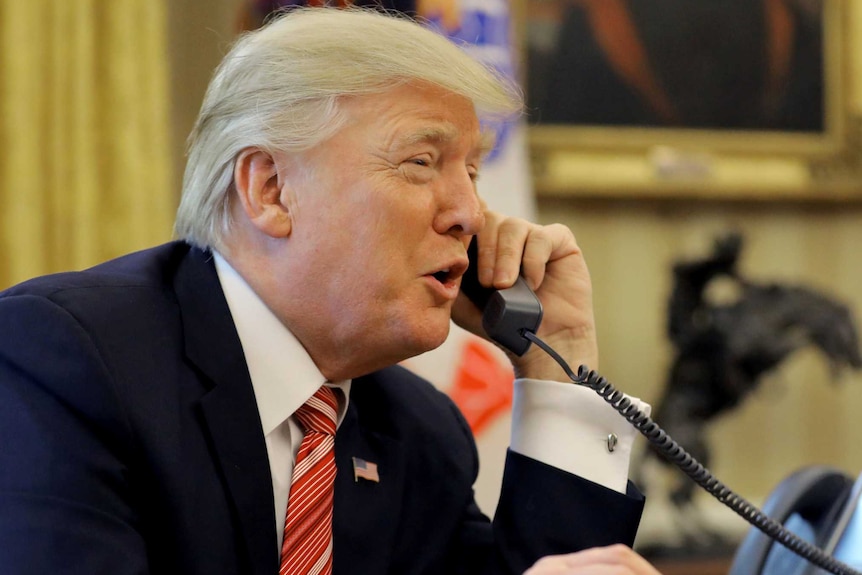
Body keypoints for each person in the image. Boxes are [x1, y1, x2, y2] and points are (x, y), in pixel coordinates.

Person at [0, 7, 661, 575]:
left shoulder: (418, 434)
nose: (469, 213)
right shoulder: (70, 362)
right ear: (270, 189)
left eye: (472, 170)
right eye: (421, 162)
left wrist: (560, 366)